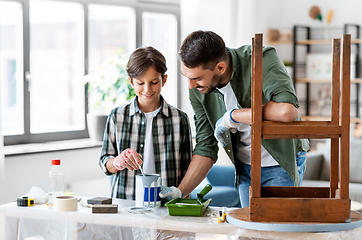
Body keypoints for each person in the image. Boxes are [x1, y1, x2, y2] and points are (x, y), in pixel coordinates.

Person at [174, 30, 310, 207]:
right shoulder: (198, 91)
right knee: (250, 232)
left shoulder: (261, 59)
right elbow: (205, 147)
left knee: (278, 231)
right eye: (188, 78)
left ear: (220, 68)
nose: (191, 86)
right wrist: (179, 192)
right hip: (245, 167)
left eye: (197, 78)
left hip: (281, 160)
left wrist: (234, 116)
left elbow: (287, 111)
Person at [99, 46, 193, 201]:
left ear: (164, 79)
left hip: (166, 206)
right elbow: (104, 163)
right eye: (140, 83)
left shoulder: (179, 119)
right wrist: (118, 161)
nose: (147, 89)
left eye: (154, 82)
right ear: (131, 82)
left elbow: (187, 172)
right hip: (125, 203)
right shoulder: (117, 116)